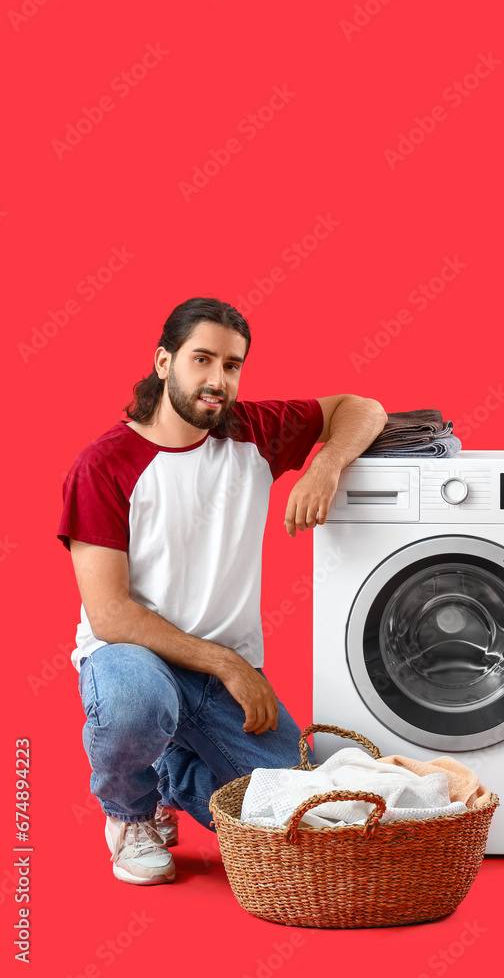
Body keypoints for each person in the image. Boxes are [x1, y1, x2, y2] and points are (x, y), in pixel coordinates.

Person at [57, 296, 387, 885]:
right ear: (164, 362)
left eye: (232, 365)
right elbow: (110, 615)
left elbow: (362, 408)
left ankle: (169, 775)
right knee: (136, 702)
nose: (217, 380)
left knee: (298, 813)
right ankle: (131, 814)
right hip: (133, 662)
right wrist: (230, 665)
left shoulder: (252, 433)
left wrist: (324, 465)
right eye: (202, 359)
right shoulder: (105, 465)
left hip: (218, 682)